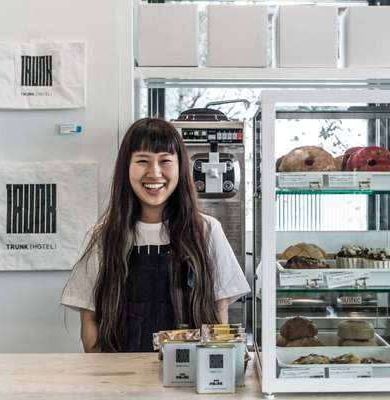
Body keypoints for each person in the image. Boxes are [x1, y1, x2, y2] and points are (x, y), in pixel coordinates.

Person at [61, 118, 250, 352]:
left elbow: (219, 307)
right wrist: (102, 375)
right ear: (125, 168)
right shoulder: (103, 236)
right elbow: (89, 316)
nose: (154, 172)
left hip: (189, 378)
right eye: (142, 161)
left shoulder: (207, 231)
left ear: (180, 167)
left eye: (165, 161)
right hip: (121, 378)